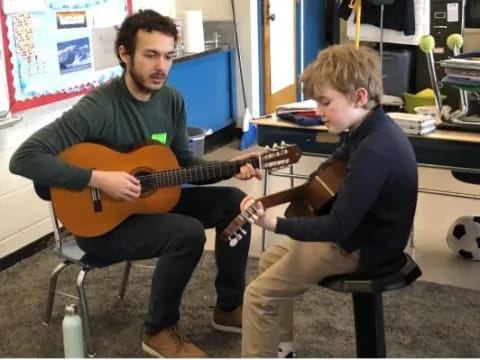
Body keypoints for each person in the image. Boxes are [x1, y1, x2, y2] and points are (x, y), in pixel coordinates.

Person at [9, 9, 262, 358]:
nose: (162, 66)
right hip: (101, 226)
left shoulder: (171, 100)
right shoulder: (98, 107)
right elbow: (23, 158)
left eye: (169, 56)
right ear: (124, 54)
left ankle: (228, 307)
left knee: (236, 203)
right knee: (186, 233)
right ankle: (157, 330)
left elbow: (183, 163)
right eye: (151, 55)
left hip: (149, 205)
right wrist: (98, 178)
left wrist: (232, 167)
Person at [239, 44, 418, 357]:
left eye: (324, 102)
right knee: (269, 261)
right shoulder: (367, 128)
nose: (318, 111)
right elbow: (331, 167)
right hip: (362, 235)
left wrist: (274, 223)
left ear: (359, 97)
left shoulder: (375, 150)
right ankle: (282, 347)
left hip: (362, 246)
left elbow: (336, 227)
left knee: (257, 296)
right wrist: (279, 197)